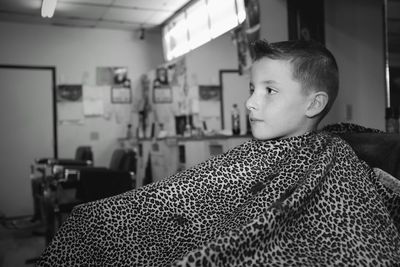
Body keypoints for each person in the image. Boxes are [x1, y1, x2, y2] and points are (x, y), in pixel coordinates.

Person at [36, 40, 400, 266]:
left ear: (314, 103)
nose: (249, 102)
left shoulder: (333, 160)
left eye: (269, 91)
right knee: (91, 223)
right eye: (252, 88)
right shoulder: (255, 154)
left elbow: (359, 246)